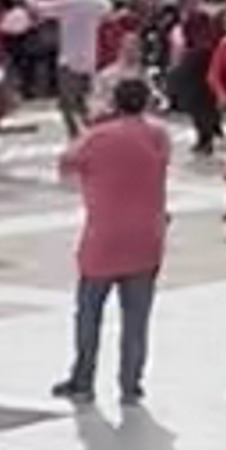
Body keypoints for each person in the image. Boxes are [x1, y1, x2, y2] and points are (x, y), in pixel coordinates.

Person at [56, 68, 175, 416]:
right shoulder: (158, 136)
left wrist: (92, 125)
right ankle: (130, 384)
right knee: (136, 318)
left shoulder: (98, 137)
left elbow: (66, 164)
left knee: (89, 313)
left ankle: (82, 378)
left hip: (102, 238)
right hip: (147, 237)